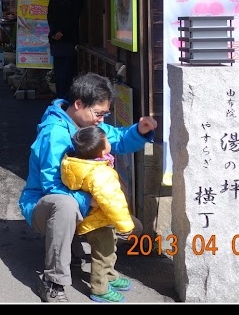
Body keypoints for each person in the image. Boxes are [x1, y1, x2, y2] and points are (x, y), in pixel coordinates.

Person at [18, 72, 156, 303]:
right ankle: (53, 282)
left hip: (81, 201)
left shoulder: (89, 126)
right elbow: (52, 186)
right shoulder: (54, 134)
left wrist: (140, 131)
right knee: (65, 204)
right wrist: (92, 201)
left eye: (105, 114)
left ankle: (98, 266)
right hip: (43, 204)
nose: (102, 119)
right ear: (79, 104)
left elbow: (118, 140)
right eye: (98, 113)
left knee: (132, 226)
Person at [60, 125, 135, 303]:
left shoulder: (76, 163)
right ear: (101, 153)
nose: (110, 142)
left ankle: (110, 276)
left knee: (109, 249)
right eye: (107, 142)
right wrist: (125, 225)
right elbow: (113, 201)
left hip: (91, 217)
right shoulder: (101, 174)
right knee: (103, 254)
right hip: (99, 221)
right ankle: (100, 288)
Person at [47, 0, 83, 101]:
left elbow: (74, 16)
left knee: (67, 71)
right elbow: (50, 16)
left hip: (69, 38)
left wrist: (62, 31)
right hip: (55, 39)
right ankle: (59, 98)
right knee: (58, 71)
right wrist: (55, 32)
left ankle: (66, 100)